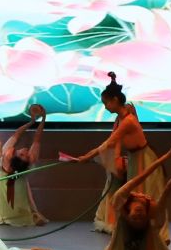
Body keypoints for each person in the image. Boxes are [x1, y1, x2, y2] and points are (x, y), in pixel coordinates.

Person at [63, 73, 164, 237]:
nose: (105, 107)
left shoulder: (128, 121)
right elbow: (112, 143)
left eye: (106, 103)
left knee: (141, 192)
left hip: (143, 158)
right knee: (131, 191)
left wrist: (86, 157)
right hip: (135, 157)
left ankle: (143, 227)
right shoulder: (121, 118)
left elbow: (109, 143)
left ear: (115, 100)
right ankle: (131, 224)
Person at [92, 149, 171, 250]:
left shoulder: (120, 201)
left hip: (126, 239)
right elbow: (168, 189)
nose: (138, 215)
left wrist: (168, 155)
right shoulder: (152, 209)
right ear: (147, 218)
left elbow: (142, 176)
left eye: (135, 218)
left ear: (127, 215)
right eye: (140, 218)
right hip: (136, 240)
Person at [0, 107, 48, 227]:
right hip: (4, 190)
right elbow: (34, 138)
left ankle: (14, 215)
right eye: (24, 154)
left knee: (17, 211)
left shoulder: (8, 156)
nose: (26, 151)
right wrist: (36, 120)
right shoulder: (14, 158)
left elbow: (21, 135)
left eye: (24, 154)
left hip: (17, 190)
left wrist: (37, 120)